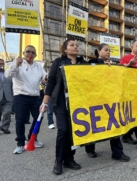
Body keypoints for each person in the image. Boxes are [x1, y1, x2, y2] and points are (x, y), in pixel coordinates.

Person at [41, 39, 84, 175]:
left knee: (72, 132)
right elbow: (52, 81)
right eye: (72, 45)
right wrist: (44, 102)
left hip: (78, 104)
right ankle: (58, 160)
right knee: (63, 130)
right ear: (65, 49)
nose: (75, 47)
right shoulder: (58, 62)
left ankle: (69, 159)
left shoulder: (84, 64)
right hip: (60, 102)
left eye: (77, 45)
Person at [86, 43, 130, 162]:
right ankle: (90, 148)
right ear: (98, 51)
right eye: (106, 50)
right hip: (95, 100)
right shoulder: (91, 62)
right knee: (94, 125)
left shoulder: (112, 65)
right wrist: (104, 67)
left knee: (113, 124)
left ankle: (117, 153)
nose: (108, 52)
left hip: (109, 100)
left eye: (109, 50)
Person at [5, 45, 47, 154]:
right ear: (24, 53)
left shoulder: (38, 66)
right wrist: (15, 64)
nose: (30, 54)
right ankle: (20, 143)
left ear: (35, 55)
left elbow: (44, 76)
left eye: (33, 53)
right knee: (20, 120)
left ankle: (32, 138)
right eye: (28, 52)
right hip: (20, 96)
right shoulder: (17, 64)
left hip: (35, 96)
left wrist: (46, 79)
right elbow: (8, 75)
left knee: (39, 116)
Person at [0, 58, 13, 136]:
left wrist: (13, 96)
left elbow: (12, 85)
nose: (1, 65)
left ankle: (5, 127)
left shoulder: (8, 74)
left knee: (7, 113)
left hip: (8, 97)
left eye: (2, 64)